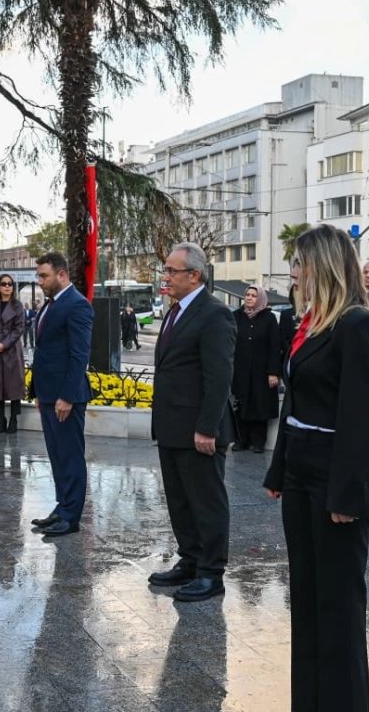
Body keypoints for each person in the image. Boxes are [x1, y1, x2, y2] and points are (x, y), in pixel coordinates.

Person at [263, 224, 369, 712]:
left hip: (336, 479)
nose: (293, 273)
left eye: (300, 263)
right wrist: (278, 471)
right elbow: (294, 404)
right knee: (308, 602)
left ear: (325, 266)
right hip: (300, 472)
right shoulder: (313, 323)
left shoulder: (359, 326)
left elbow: (362, 420)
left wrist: (346, 496)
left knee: (338, 609)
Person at [148, 242, 237, 603]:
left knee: (205, 501)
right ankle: (191, 559)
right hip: (171, 425)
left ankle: (211, 572)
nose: (165, 276)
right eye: (166, 270)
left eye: (172, 271)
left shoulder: (214, 313)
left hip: (199, 429)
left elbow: (219, 377)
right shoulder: (175, 311)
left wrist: (207, 428)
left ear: (194, 275)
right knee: (180, 501)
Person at [28, 252, 93, 537]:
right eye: (39, 275)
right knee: (57, 455)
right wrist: (39, 393)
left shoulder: (77, 305)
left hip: (66, 397)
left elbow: (79, 355)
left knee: (70, 456)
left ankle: (72, 516)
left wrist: (66, 396)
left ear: (62, 274)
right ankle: (62, 506)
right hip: (49, 394)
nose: (39, 281)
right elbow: (45, 351)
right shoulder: (52, 304)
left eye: (44, 276)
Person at [231, 286, 281, 453]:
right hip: (240, 369)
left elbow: (275, 346)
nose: (249, 298)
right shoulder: (236, 316)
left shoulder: (269, 318)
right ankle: (240, 440)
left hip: (261, 371)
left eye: (253, 295)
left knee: (260, 405)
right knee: (240, 404)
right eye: (247, 295)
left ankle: (258, 442)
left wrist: (273, 372)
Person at [0, 274, 26, 434]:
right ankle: (1, 419)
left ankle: (14, 419)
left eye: (10, 284)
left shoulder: (18, 306)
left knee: (14, 385)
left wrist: (5, 344)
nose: (7, 286)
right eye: (4, 284)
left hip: (12, 350)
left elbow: (19, 329)